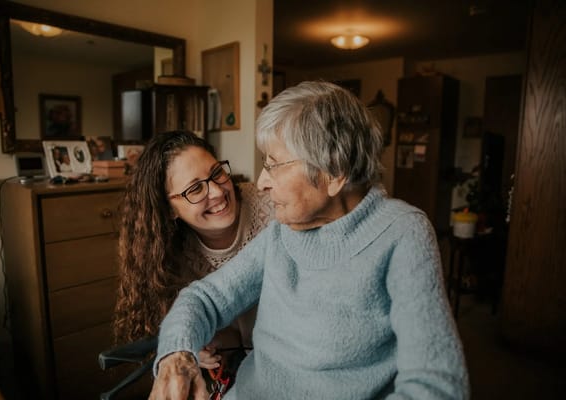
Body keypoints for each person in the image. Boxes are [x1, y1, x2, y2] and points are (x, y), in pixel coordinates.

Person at [149, 81, 469, 399]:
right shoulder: (281, 231)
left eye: (273, 165)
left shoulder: (402, 234)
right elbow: (204, 298)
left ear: (334, 171)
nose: (261, 182)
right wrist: (176, 356)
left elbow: (436, 387)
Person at [113, 130, 274, 385]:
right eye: (195, 188)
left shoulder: (273, 205)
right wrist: (196, 344)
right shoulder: (170, 255)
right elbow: (193, 324)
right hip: (240, 373)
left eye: (217, 173)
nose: (217, 192)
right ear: (168, 209)